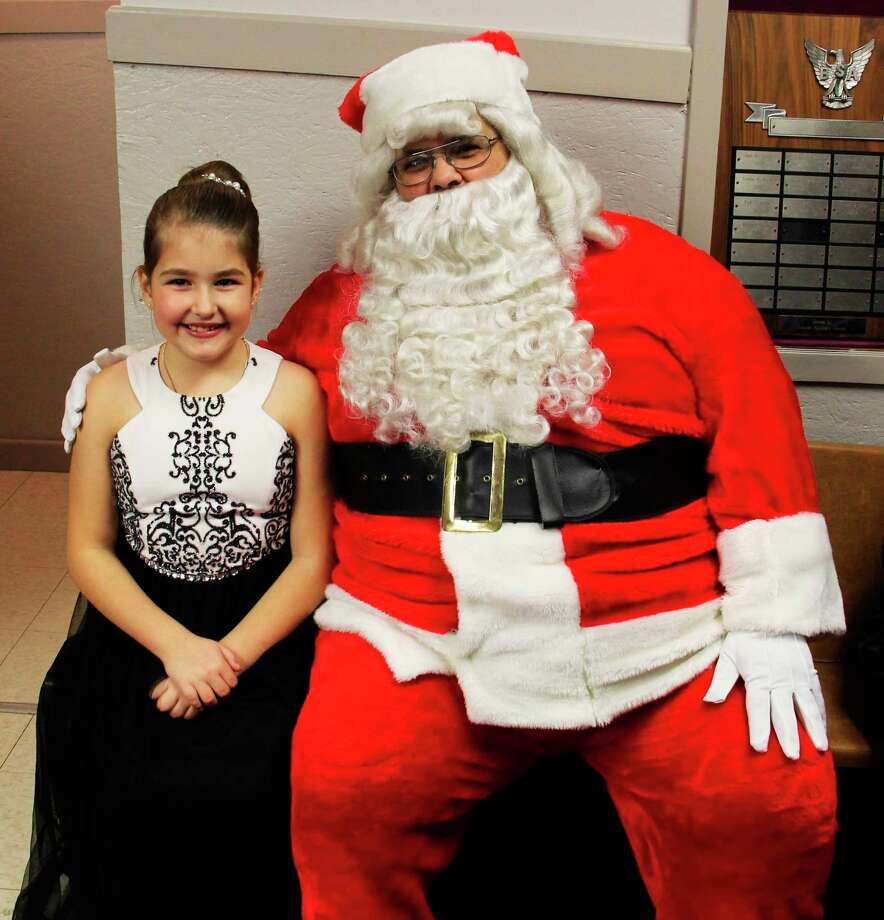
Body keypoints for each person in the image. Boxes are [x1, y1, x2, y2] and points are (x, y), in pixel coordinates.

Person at [62, 33, 844, 919]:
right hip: (417, 639)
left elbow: (760, 430)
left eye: (465, 148)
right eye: (413, 162)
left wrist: (773, 623)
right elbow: (243, 378)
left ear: (518, 148)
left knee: (758, 812)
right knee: (342, 802)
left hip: (661, 639)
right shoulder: (346, 300)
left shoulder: (670, 279)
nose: (442, 178)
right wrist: (123, 379)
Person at [21, 162, 332, 920]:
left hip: (265, 626)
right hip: (142, 622)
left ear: (257, 284)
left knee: (263, 783)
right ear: (144, 284)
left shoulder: (294, 392)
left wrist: (225, 659)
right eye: (179, 282)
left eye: (225, 282)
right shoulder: (109, 392)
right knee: (122, 780)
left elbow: (314, 555)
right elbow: (89, 549)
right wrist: (177, 647)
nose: (203, 305)